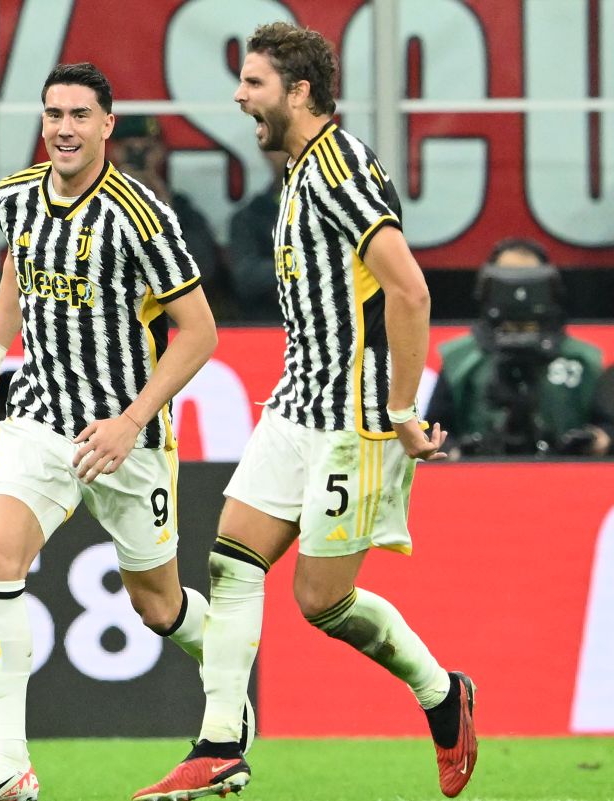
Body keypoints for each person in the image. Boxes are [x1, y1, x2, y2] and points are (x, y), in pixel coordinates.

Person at [135, 22, 477, 800]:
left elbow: (410, 290)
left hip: (355, 418)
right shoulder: (299, 171)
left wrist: (401, 408)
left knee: (321, 601)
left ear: (298, 92)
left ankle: (442, 694)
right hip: (296, 403)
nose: (239, 96)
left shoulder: (339, 169)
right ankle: (220, 743)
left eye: (253, 82)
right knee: (231, 561)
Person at [0, 63, 223, 801]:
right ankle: (11, 765)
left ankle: (227, 686)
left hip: (127, 435)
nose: (64, 128)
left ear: (107, 124)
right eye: (53, 114)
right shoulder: (15, 197)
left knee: (158, 606)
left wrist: (131, 421)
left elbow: (200, 333)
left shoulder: (142, 216)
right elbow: (20, 271)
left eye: (79, 115)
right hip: (40, 414)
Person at [426, 238, 606, 458]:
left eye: (529, 278)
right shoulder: (461, 360)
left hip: (567, 473)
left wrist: (596, 440)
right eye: (507, 277)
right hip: (479, 473)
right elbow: (432, 430)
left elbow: (607, 427)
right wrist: (455, 452)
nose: (519, 289)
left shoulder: (582, 359)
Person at [107, 114, 237, 319]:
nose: (139, 158)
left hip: (168, 318)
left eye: (147, 150)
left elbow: (204, 269)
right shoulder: (95, 205)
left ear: (161, 153)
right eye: (129, 150)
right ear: (114, 152)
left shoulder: (183, 210)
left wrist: (167, 214)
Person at [226, 150, 287, 322]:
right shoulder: (250, 217)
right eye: (283, 146)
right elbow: (245, 276)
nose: (293, 154)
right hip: (268, 325)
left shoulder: (338, 211)